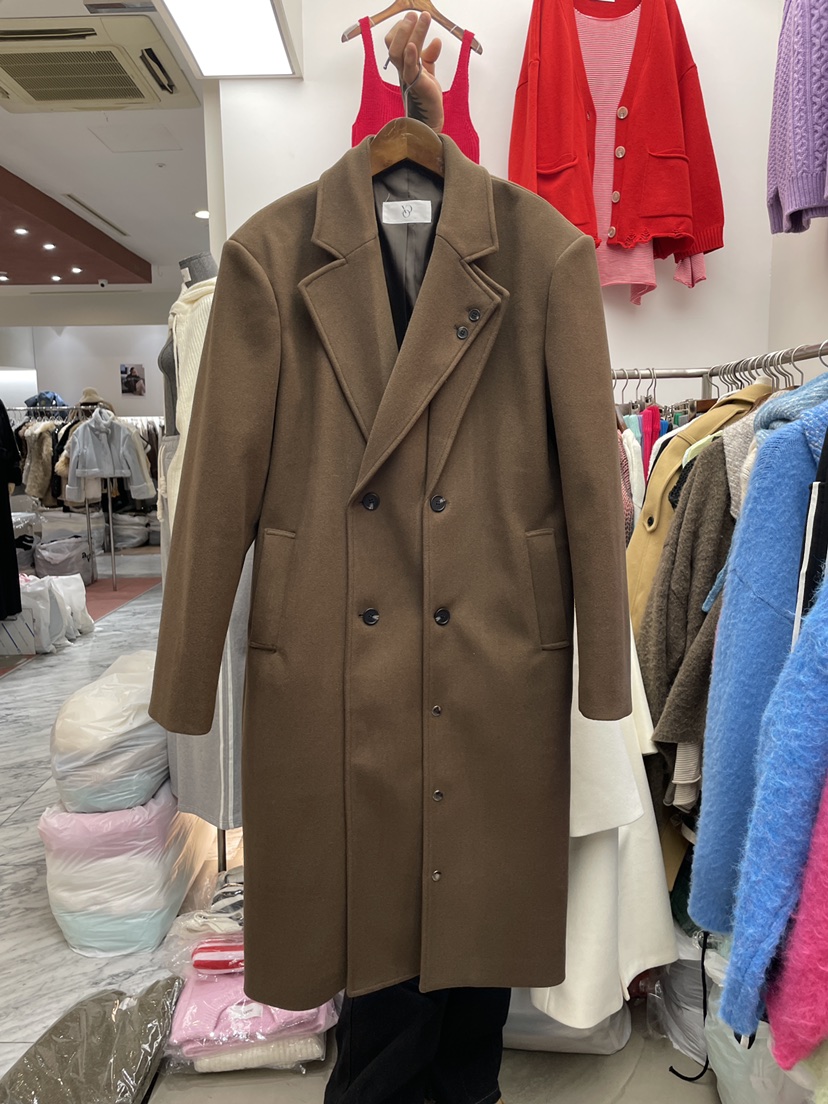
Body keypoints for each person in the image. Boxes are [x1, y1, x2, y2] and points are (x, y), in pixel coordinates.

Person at [324, 18, 509, 1104]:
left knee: (464, 883)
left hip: (478, 600)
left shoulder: (521, 244)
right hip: (368, 600)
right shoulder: (304, 248)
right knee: (393, 893)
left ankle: (452, 1077)